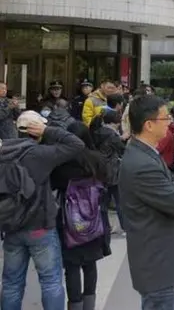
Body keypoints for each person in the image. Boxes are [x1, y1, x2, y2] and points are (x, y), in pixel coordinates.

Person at [0, 111, 85, 310]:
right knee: (51, 281)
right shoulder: (39, 154)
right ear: (36, 130)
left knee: (11, 283)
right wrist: (48, 130)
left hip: (10, 226)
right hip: (39, 226)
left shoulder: (3, 153)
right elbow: (76, 144)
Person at [119, 95, 174, 309]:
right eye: (165, 118)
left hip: (157, 255)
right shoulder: (142, 164)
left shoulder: (145, 152)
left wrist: (173, 186)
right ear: (149, 125)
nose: (170, 121)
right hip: (156, 261)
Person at [51, 122, 111, 310]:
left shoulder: (61, 161)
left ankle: (74, 304)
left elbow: (53, 184)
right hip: (94, 215)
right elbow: (107, 180)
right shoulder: (97, 159)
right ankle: (89, 305)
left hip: (69, 219)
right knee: (90, 263)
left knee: (72, 265)